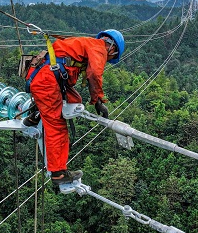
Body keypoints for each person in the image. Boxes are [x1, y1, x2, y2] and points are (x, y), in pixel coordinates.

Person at [24, 29, 125, 189]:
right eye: (111, 57)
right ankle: (59, 173)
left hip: (46, 76)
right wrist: (97, 100)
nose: (108, 59)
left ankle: (36, 112)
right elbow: (94, 74)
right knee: (57, 126)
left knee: (75, 99)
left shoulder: (86, 42)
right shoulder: (99, 48)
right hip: (48, 82)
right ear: (112, 48)